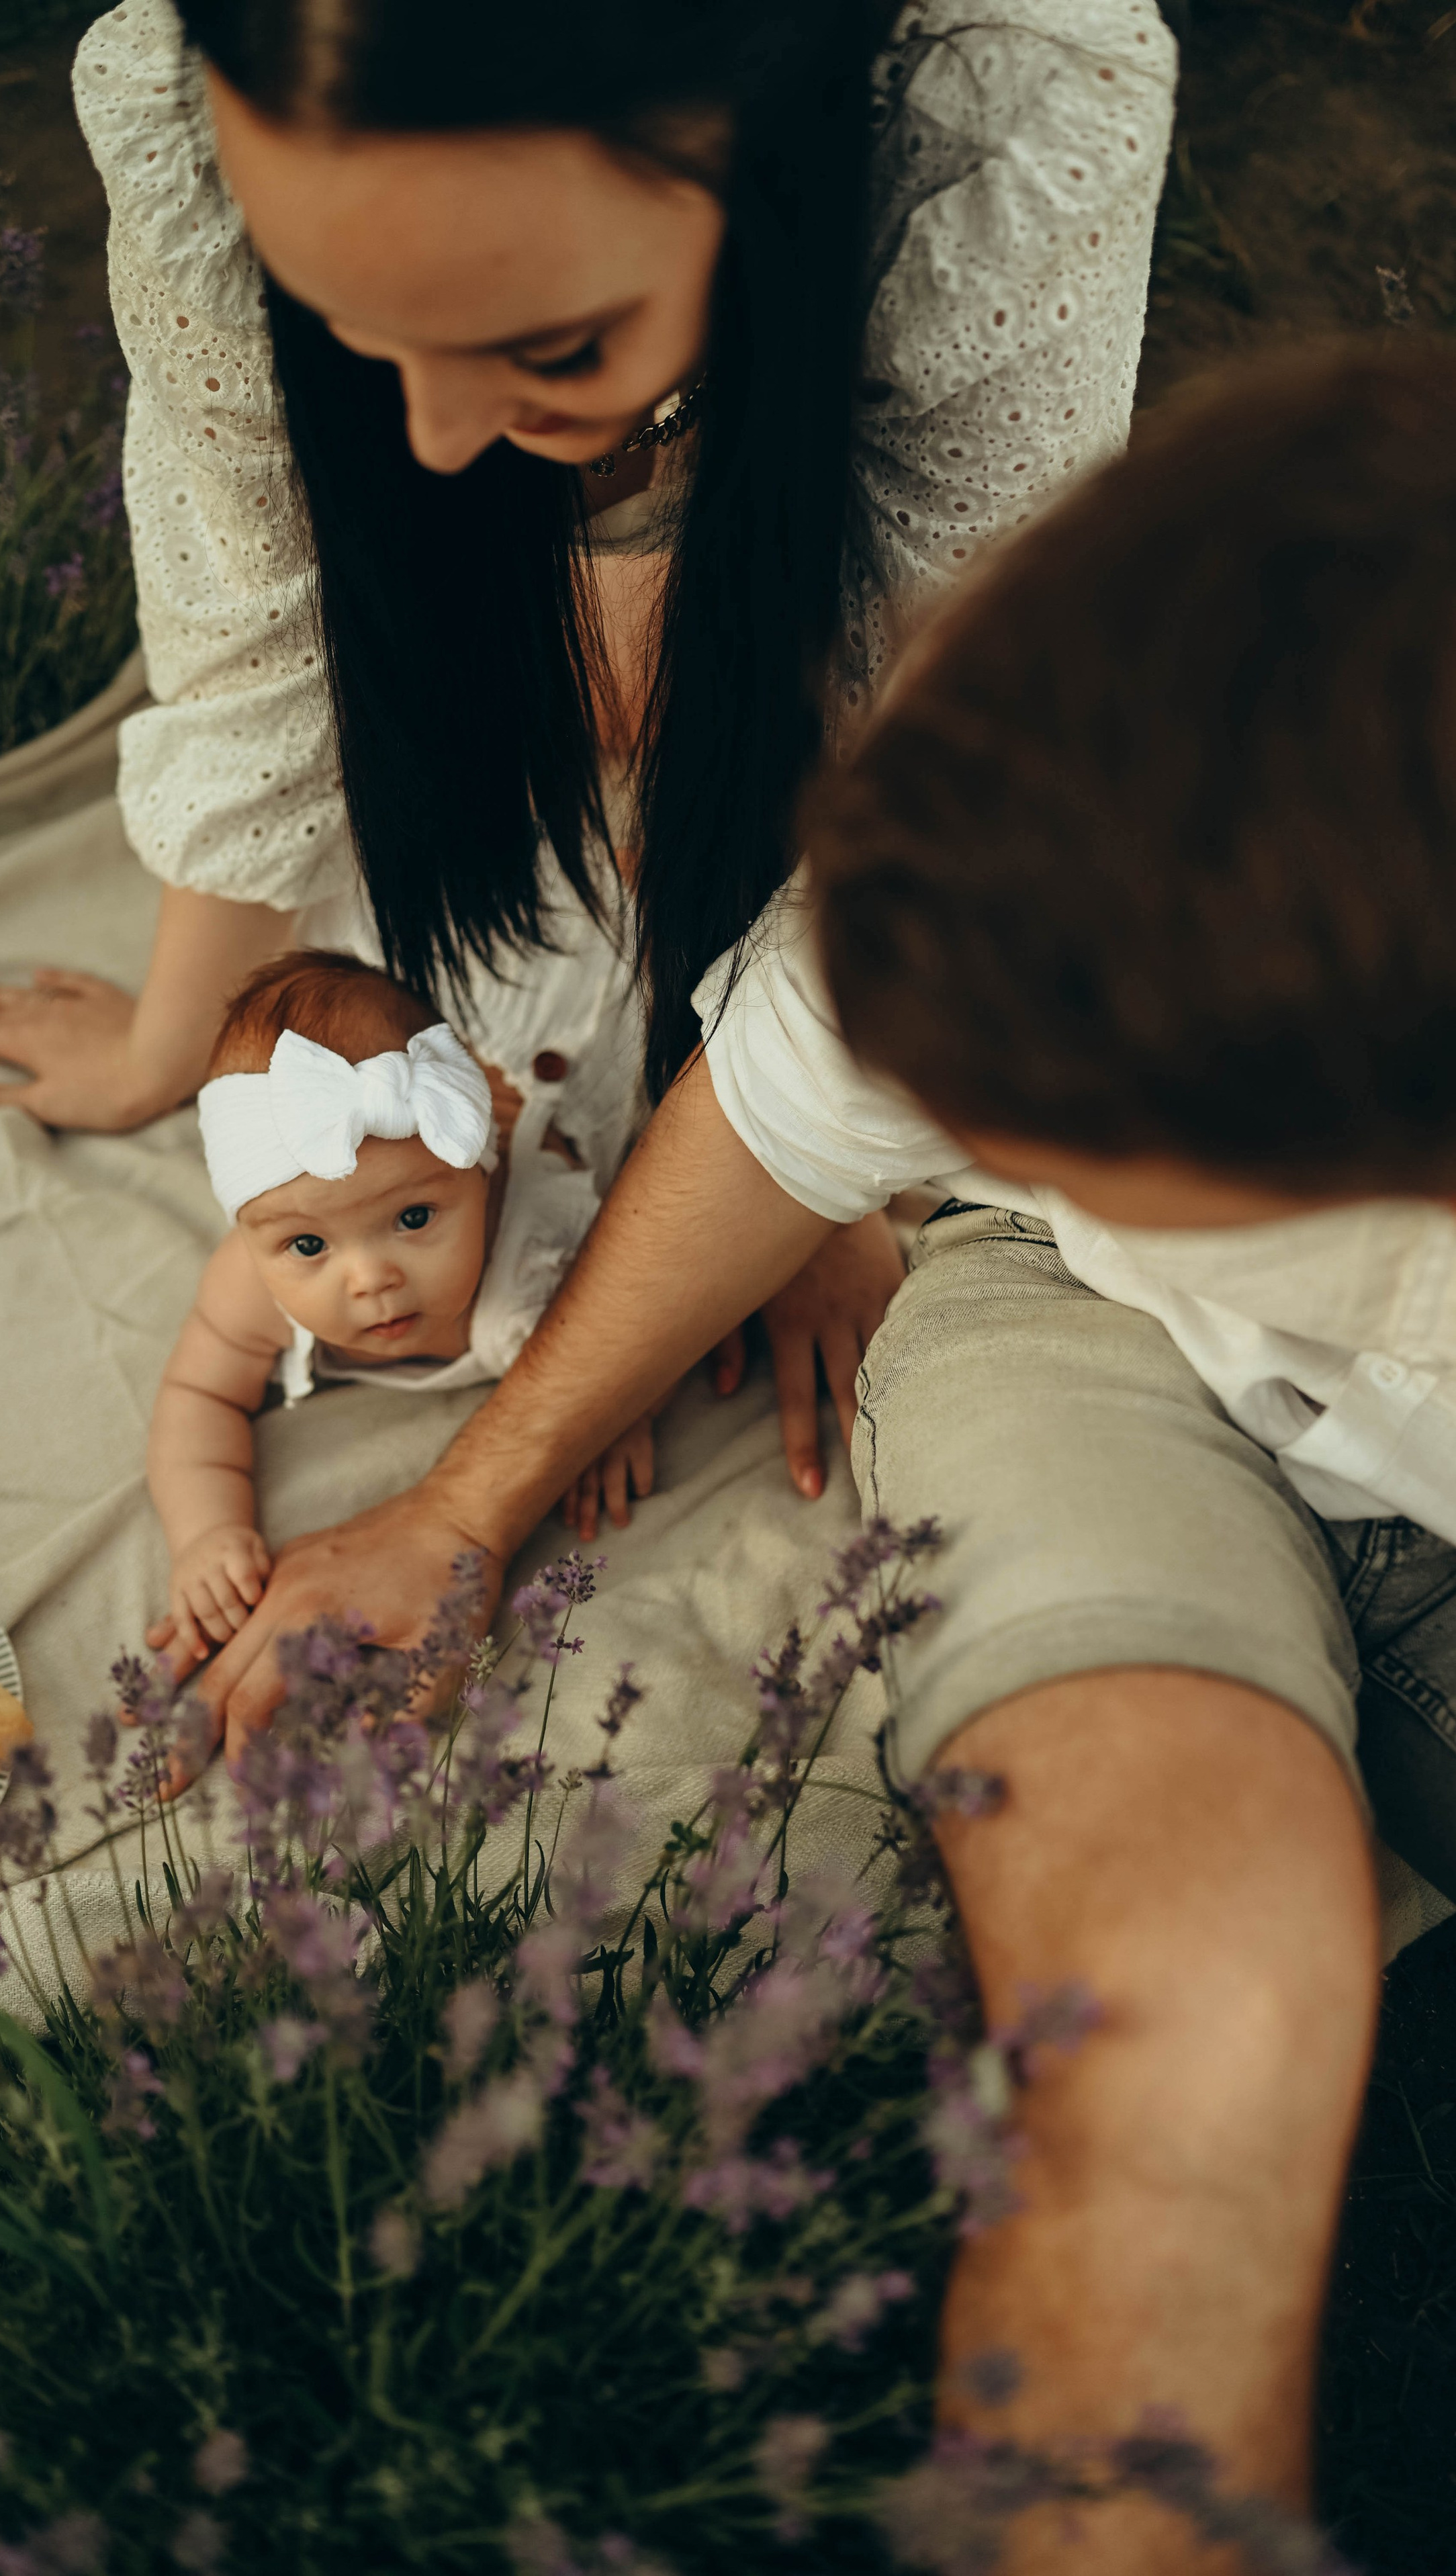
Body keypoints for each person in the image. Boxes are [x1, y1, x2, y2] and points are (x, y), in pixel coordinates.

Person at [179, 337, 1456, 2559]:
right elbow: (779, 1118)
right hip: (1093, 1355)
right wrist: (465, 1507)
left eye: (1041, 1128)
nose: (916, 1132)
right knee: (1164, 2004)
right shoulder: (1059, 798)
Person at [0, 0, 1177, 1500]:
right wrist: (170, 1044)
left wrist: (804, 1170)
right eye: (355, 340)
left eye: (549, 347)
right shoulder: (191, 93)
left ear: (769, 168)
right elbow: (256, 636)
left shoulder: (1000, 122)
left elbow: (935, 733)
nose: (436, 444)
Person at [147, 948, 652, 1660]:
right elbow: (196, 1395)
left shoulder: (546, 1244)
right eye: (307, 1245)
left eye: (413, 1219)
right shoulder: (249, 1286)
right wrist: (206, 1532)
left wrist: (615, 1405)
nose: (369, 1278)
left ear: (485, 1177)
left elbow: (642, 1312)